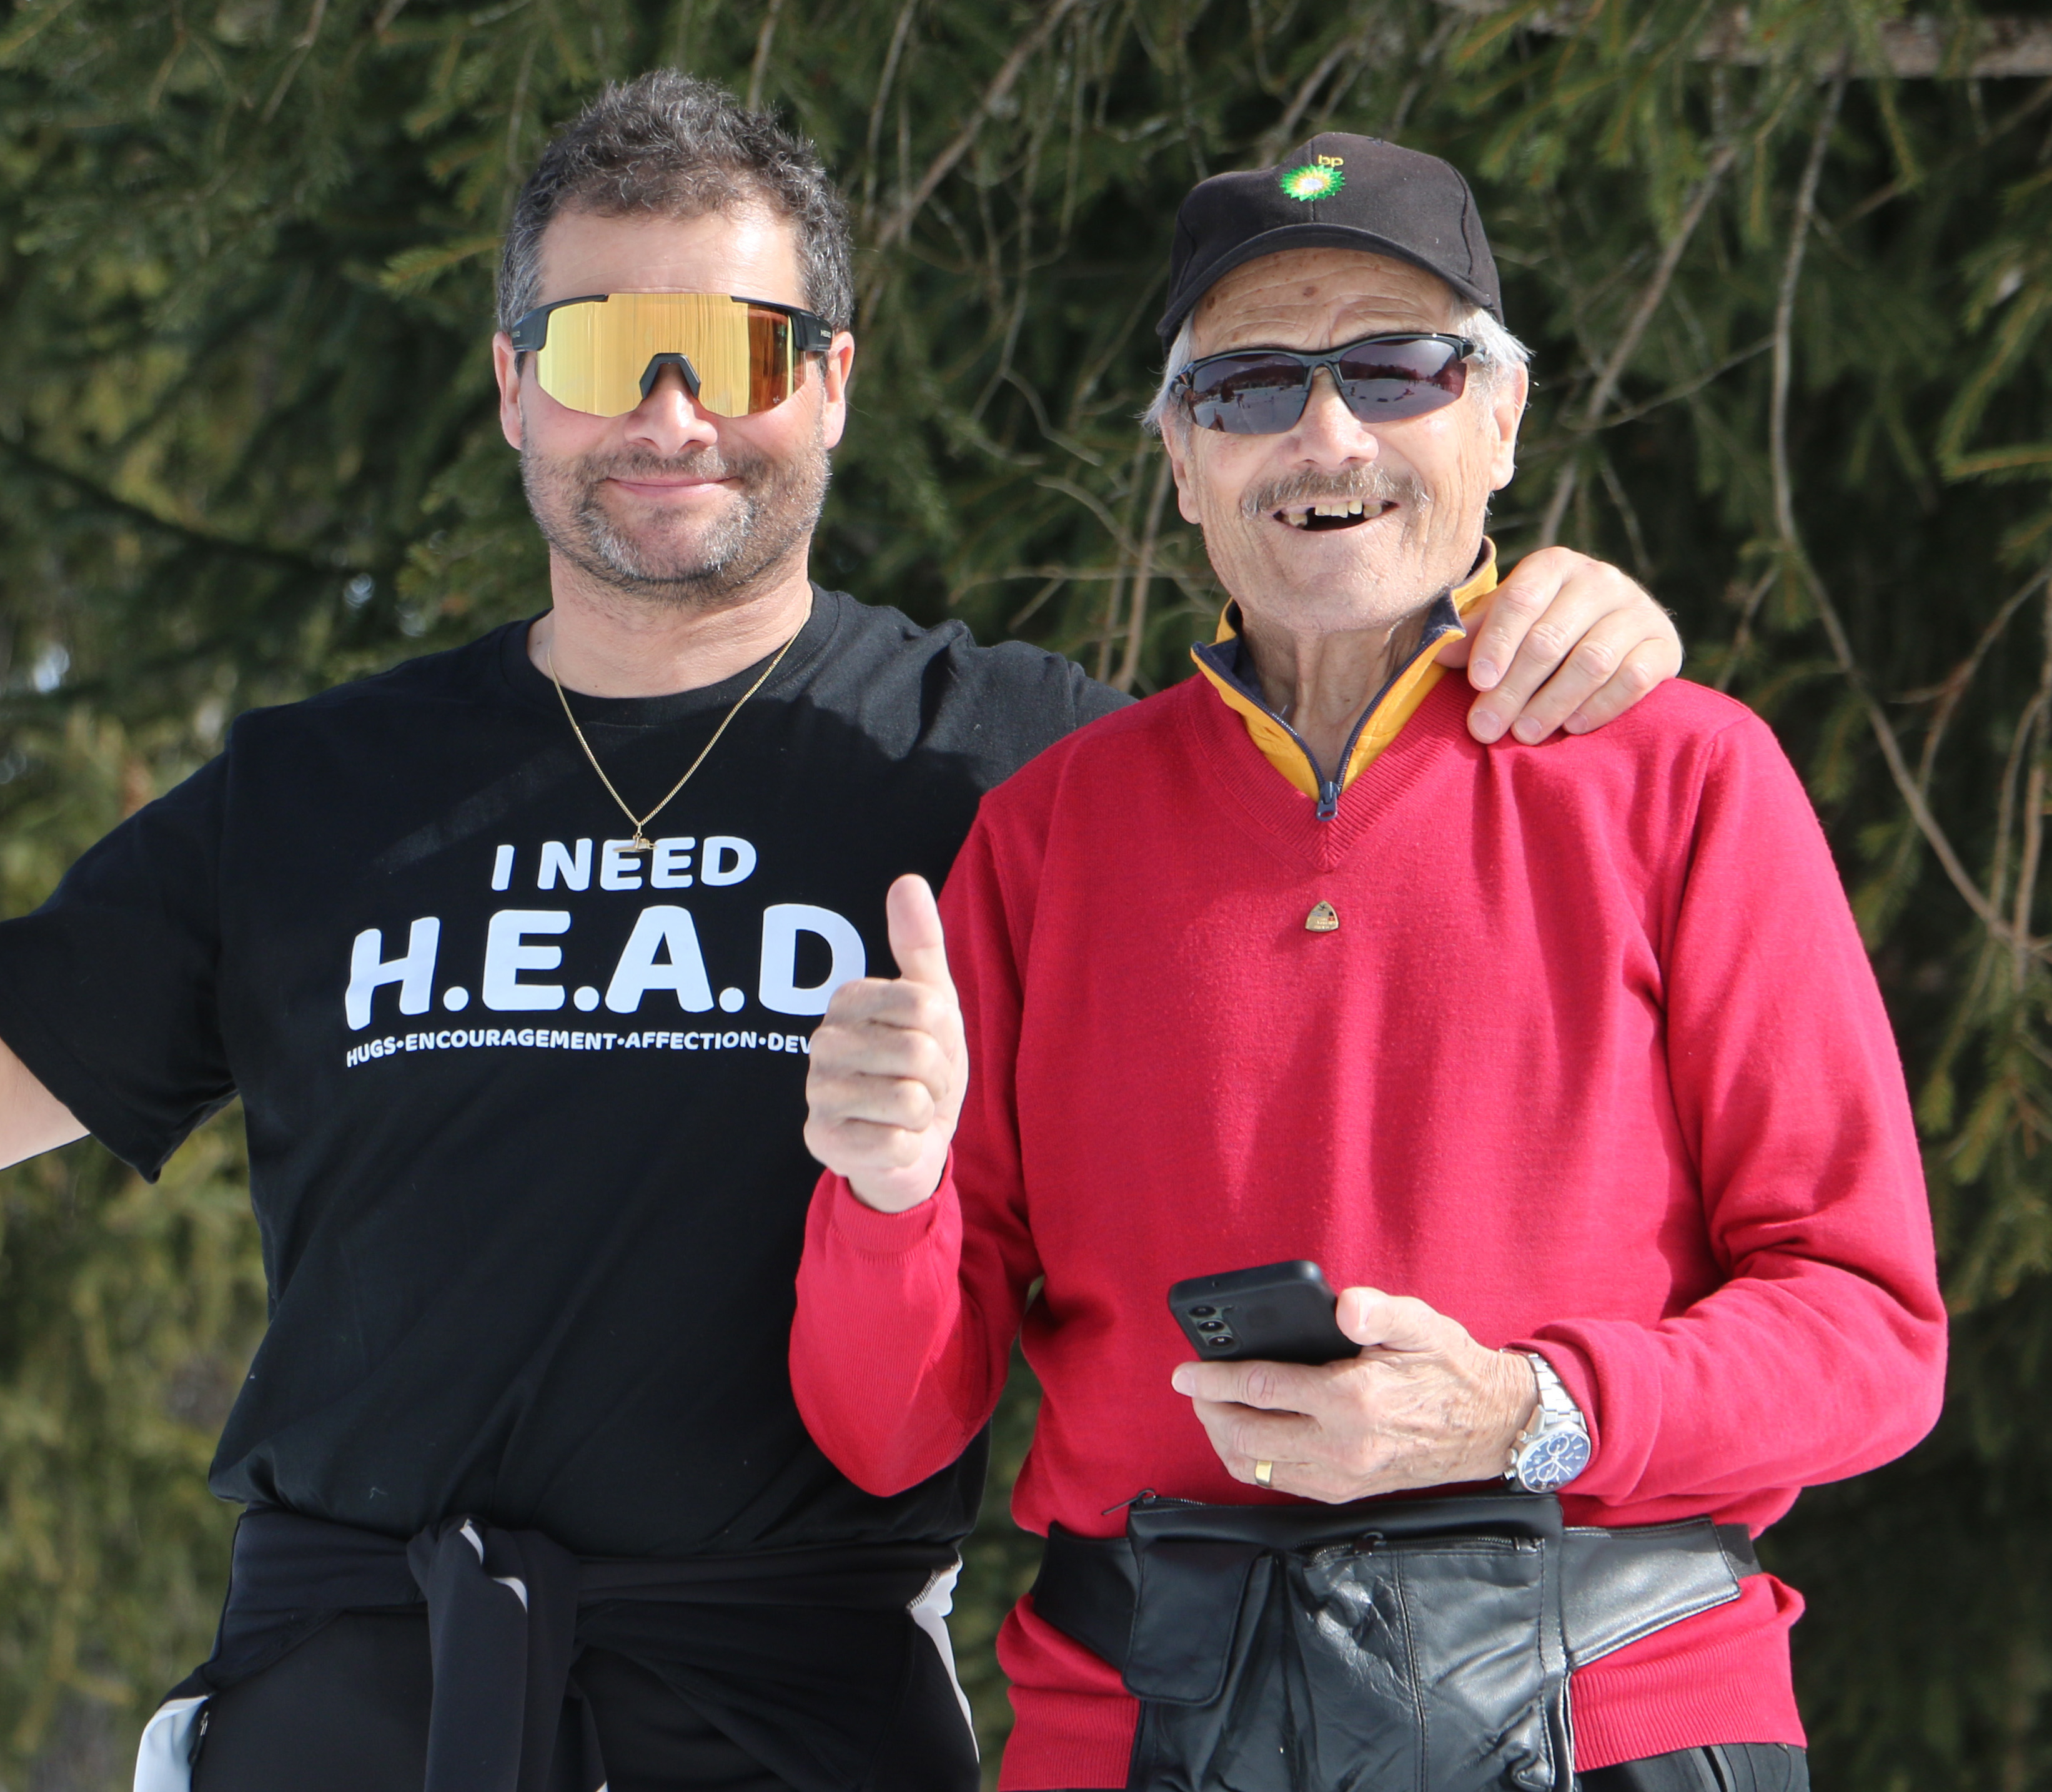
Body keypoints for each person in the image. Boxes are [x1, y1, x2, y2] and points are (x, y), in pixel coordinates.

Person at [0, 81, 1684, 1792]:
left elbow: (1340, 822)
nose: (669, 413)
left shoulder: (1015, 767)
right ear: (514, 385)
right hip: (355, 1700)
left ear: (828, 381)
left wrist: (1540, 619)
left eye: (737, 349)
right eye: (602, 345)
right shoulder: (319, 790)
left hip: (799, 1709)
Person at [793, 134, 1947, 1792]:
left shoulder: (1684, 775)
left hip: (1607, 1717)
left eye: (1399, 370)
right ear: (1182, 461)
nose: (1325, 434)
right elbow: (884, 1426)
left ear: (1501, 420)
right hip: (1145, 1730)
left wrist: (1528, 1410)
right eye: (1249, 385)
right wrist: (886, 1198)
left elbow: (1868, 1333)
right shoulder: (1048, 834)